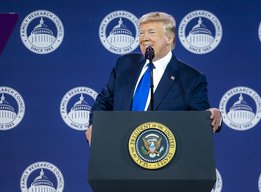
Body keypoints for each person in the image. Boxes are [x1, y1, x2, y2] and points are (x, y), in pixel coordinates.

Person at [86, 11, 221, 144]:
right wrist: (94, 125)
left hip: (162, 155)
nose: (144, 38)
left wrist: (211, 116)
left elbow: (199, 123)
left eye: (151, 32)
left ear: (169, 38)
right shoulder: (124, 64)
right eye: (142, 33)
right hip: (118, 149)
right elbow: (104, 101)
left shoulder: (191, 79)